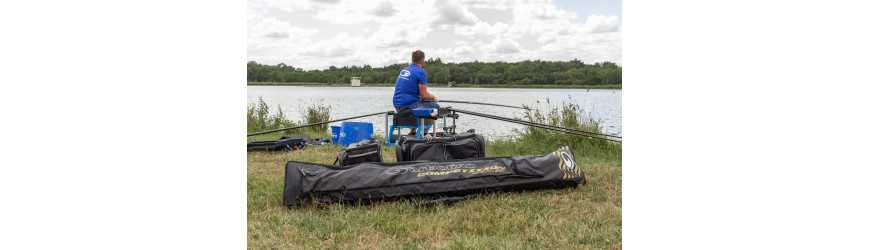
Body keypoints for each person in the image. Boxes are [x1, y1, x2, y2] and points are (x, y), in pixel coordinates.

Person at [392, 50, 438, 135]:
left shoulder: (404, 70)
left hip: (397, 106)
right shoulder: (421, 72)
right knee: (435, 107)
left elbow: (406, 89)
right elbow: (424, 95)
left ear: (412, 59)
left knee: (421, 103)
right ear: (422, 60)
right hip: (409, 107)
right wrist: (434, 97)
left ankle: (413, 131)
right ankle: (423, 133)